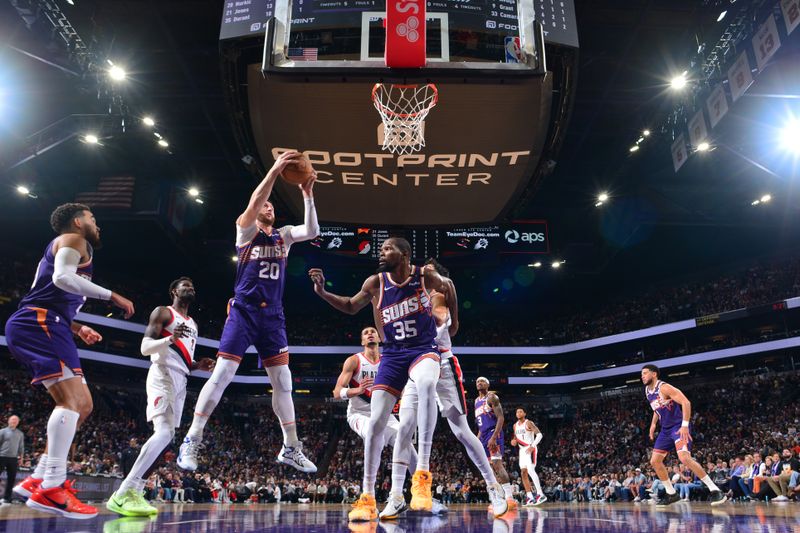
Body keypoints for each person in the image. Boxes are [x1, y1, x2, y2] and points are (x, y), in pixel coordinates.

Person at [178, 151, 320, 474]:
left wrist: (308, 195)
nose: (269, 207)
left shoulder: (283, 236)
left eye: (272, 206)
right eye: (265, 205)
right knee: (223, 374)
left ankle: (291, 447)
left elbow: (311, 230)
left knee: (284, 382)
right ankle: (192, 438)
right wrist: (274, 170)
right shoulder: (245, 231)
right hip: (244, 312)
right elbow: (257, 199)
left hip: (273, 318)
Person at [309, 237, 457, 521]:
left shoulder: (423, 275)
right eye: (382, 248)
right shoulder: (376, 282)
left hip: (422, 348)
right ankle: (367, 498)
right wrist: (322, 292)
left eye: (388, 248)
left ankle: (422, 476)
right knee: (377, 423)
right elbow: (352, 306)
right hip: (393, 355)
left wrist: (451, 317)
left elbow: (447, 287)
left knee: (426, 384)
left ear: (404, 255)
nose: (382, 252)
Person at [4, 203, 134, 519]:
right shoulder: (76, 240)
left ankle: (37, 477)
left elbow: (50, 289)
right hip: (39, 322)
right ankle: (51, 486)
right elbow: (62, 278)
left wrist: (77, 326)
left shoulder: (70, 245)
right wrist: (111, 295)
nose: (97, 224)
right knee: (71, 403)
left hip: (49, 322)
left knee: (84, 405)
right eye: (93, 218)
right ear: (78, 222)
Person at [379, 258, 507, 520]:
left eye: (429, 273)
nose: (422, 274)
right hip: (415, 366)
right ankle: (396, 496)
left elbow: (439, 319)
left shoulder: (437, 296)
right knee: (404, 428)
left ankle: (494, 487)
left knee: (461, 431)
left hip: (443, 363)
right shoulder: (410, 293)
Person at [107, 277, 214, 516]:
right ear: (174, 291)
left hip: (181, 379)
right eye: (186, 285)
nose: (191, 288)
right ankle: (123, 492)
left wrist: (198, 365)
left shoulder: (193, 323)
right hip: (162, 374)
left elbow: (182, 356)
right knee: (164, 432)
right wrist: (170, 338)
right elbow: (145, 348)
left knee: (167, 437)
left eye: (193, 286)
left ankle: (134, 491)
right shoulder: (163, 312)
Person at [332, 326, 417, 475]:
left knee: (406, 442)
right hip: (360, 414)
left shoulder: (388, 361)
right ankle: (368, 490)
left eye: (373, 332)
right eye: (366, 333)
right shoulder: (354, 361)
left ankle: (422, 489)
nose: (370, 334)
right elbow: (337, 393)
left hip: (386, 415)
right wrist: (356, 391)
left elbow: (401, 389)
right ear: (362, 341)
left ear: (379, 339)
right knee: (373, 430)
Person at [641, 364, 727, 506]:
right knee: (654, 461)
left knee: (684, 458)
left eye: (645, 373)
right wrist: (653, 424)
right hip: (665, 430)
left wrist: (685, 425)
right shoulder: (647, 391)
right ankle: (671, 494)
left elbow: (686, 402)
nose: (642, 376)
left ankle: (715, 490)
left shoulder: (664, 387)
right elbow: (656, 409)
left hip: (678, 427)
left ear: (654, 374)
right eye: (642, 374)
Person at [474, 377, 517, 511]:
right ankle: (498, 498)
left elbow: (501, 418)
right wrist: (477, 440)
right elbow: (480, 426)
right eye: (477, 382)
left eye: (482, 381)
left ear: (487, 384)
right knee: (489, 468)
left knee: (497, 465)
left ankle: (510, 499)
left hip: (494, 433)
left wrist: (493, 437)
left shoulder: (492, 397)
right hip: (483, 435)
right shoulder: (476, 401)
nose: (479, 383)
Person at [511, 407, 546, 506]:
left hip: (530, 448)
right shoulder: (515, 426)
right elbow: (515, 438)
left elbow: (539, 435)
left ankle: (540, 494)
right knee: (523, 473)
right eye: (517, 412)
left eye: (520, 411)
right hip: (522, 451)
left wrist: (532, 446)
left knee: (531, 470)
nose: (518, 413)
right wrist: (513, 441)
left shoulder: (529, 423)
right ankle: (530, 496)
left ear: (524, 413)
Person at [0, 416, 24, 505]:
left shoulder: (20, 434)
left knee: (11, 479)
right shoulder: (2, 431)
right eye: (13, 419)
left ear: (18, 423)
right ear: (8, 421)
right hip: (1, 456)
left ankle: (7, 498)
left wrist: (21, 458)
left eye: (16, 420)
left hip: (13, 458)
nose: (14, 421)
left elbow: (21, 447)